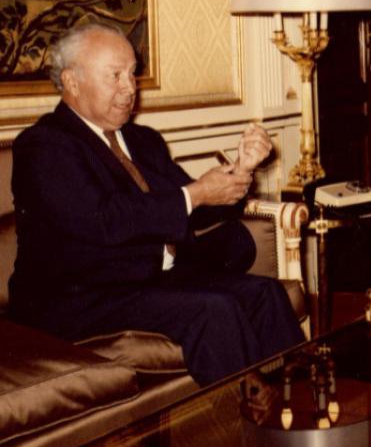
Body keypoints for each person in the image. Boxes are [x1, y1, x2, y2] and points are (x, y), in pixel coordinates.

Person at [9, 22, 304, 386]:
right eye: (114, 76)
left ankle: (298, 402)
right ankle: (247, 419)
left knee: (265, 293)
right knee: (213, 311)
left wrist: (240, 169)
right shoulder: (44, 146)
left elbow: (192, 202)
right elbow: (106, 220)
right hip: (80, 296)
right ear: (72, 82)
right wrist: (195, 194)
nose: (129, 88)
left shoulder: (142, 140)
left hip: (147, 278)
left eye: (132, 74)